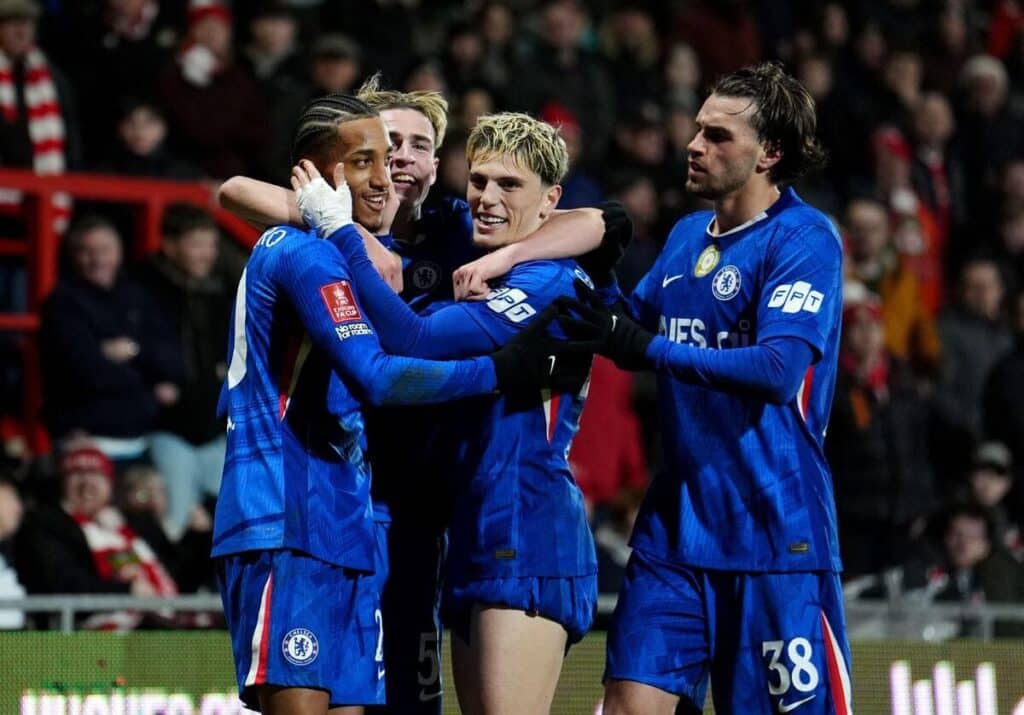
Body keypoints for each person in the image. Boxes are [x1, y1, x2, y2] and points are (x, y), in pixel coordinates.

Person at [219, 76, 618, 715]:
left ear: (435, 167)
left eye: (412, 146)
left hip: (462, 527)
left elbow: (599, 222)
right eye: (375, 153)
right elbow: (234, 190)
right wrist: (338, 223)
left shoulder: (475, 245)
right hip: (323, 513)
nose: (393, 164)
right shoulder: (310, 248)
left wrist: (496, 261)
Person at [460, 62, 851, 714]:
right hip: (674, 533)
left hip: (776, 536)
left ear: (770, 153)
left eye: (719, 137)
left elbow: (780, 371)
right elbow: (626, 325)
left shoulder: (804, 238)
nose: (695, 145)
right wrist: (596, 280)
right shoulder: (685, 236)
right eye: (698, 129)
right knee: (627, 704)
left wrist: (648, 347)